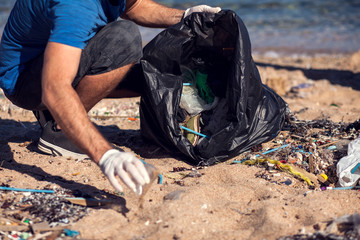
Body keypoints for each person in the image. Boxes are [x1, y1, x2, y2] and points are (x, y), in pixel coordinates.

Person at [0, 0, 221, 195]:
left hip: (53, 61)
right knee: (124, 38)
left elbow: (133, 6)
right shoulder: (77, 6)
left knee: (151, 77)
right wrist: (105, 155)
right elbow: (54, 88)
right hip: (26, 82)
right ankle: (58, 132)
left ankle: (56, 112)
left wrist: (184, 16)